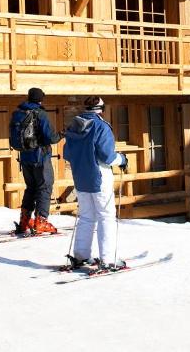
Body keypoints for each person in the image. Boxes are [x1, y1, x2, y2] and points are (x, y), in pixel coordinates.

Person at [62, 96, 128, 270]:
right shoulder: (101, 126)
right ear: (101, 109)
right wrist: (121, 159)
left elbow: (67, 154)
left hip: (80, 178)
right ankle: (108, 259)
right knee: (106, 216)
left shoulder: (74, 126)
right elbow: (107, 156)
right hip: (99, 177)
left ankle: (81, 255)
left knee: (85, 216)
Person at [9, 87, 60, 235]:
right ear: (40, 99)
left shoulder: (18, 112)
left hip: (25, 157)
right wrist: (62, 134)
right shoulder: (40, 114)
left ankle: (24, 221)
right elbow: (50, 137)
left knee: (30, 187)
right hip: (40, 157)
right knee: (45, 186)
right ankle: (41, 221)